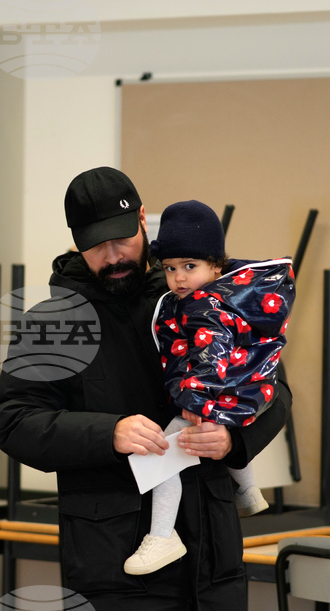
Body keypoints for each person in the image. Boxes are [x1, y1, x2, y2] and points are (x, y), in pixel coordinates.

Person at [0, 166, 292, 611]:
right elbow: (14, 421)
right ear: (75, 242)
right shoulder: (53, 323)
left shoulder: (198, 292)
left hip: (207, 563)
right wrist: (107, 433)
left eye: (122, 239)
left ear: (142, 220)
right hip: (113, 569)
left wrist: (233, 440)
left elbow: (273, 389)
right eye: (96, 245)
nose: (113, 256)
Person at [124, 199, 295, 576]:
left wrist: (195, 400)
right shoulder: (227, 297)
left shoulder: (207, 308)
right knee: (221, 440)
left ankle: (162, 535)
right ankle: (248, 491)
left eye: (190, 266)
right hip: (238, 394)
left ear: (216, 265)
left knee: (162, 455)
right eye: (170, 268)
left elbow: (209, 358)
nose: (179, 278)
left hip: (210, 397)